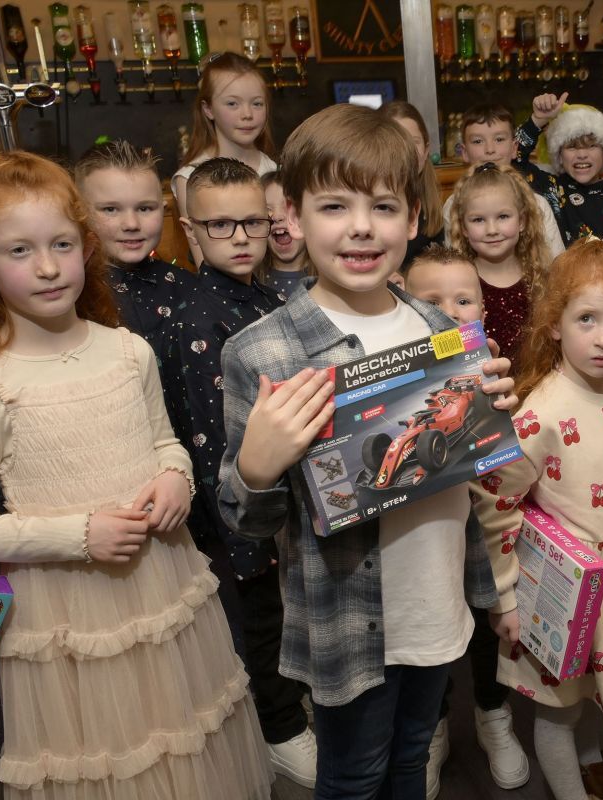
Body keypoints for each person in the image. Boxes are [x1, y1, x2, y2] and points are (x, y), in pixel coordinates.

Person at [0, 150, 271, 799]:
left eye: (62, 244)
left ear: (85, 246)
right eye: (19, 251)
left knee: (185, 737)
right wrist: (79, 534)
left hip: (162, 583)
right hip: (67, 612)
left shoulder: (127, 351)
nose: (47, 266)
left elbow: (166, 444)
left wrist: (177, 479)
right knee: (109, 762)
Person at [215, 103, 516, 799]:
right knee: (352, 775)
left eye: (383, 205)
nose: (360, 226)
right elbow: (248, 524)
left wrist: (493, 415)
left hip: (437, 601)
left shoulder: (442, 329)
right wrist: (258, 466)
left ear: (413, 218)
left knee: (413, 757)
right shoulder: (262, 351)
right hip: (348, 619)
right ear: (289, 215)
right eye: (332, 204)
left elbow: (472, 466)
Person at [473, 239, 603, 800]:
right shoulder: (541, 413)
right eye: (587, 319)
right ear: (555, 325)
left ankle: (597, 770)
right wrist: (506, 598)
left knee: (594, 692)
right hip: (565, 591)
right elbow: (495, 502)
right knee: (558, 709)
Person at [163, 157, 316, 787]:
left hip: (297, 488)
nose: (241, 237)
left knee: (291, 606)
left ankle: (295, 701)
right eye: (220, 225)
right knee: (260, 614)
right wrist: (240, 530)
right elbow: (208, 439)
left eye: (252, 221)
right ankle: (279, 727)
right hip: (239, 504)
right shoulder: (196, 317)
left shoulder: (277, 294)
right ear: (191, 230)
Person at [400, 244, 525, 798]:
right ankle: (432, 730)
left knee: (482, 628)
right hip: (418, 535)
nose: (452, 313)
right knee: (426, 638)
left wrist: (503, 405)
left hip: (484, 529)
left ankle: (492, 712)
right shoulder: (390, 368)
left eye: (464, 300)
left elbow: (513, 457)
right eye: (433, 301)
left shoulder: (488, 364)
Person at [74, 140, 196, 354]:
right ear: (80, 213)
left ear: (163, 208)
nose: (131, 224)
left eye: (145, 208)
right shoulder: (71, 296)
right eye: (111, 209)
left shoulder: (189, 289)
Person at [172, 52, 277, 267]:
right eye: (232, 104)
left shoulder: (273, 170)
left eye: (257, 104)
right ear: (208, 109)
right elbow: (204, 264)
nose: (247, 114)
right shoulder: (190, 177)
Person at [448, 162, 549, 364]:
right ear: (464, 227)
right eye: (478, 220)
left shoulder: (541, 279)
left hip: (536, 389)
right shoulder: (457, 283)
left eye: (503, 216)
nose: (492, 229)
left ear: (521, 221)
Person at [441, 103, 565, 260]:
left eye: (499, 139)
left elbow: (557, 264)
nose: (490, 149)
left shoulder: (538, 204)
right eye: (478, 141)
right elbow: (453, 261)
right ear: (464, 152)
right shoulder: (454, 204)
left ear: (514, 148)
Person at [519, 97, 603, 242]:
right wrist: (537, 120)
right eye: (571, 147)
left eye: (592, 146)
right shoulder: (552, 189)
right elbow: (513, 160)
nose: (581, 155)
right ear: (559, 156)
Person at [379, 101, 446, 267]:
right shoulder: (367, 208)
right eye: (393, 141)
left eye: (413, 142)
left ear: (426, 151)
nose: (405, 151)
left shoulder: (431, 210)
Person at [258, 170, 310, 297]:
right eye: (267, 210)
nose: (277, 216)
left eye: (287, 207)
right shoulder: (251, 281)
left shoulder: (328, 279)